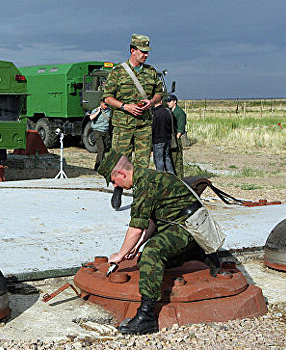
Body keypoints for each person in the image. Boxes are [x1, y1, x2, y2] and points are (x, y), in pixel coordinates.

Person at [98, 149, 221, 335]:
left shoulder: (146, 184)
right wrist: (137, 245)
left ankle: (146, 317)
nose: (117, 186)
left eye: (115, 182)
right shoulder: (145, 179)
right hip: (178, 224)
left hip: (189, 228)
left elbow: (136, 227)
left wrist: (121, 254)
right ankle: (195, 252)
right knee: (145, 259)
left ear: (122, 173)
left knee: (152, 254)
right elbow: (153, 220)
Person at [102, 33, 163, 169]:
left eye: (147, 52)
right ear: (133, 50)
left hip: (144, 126)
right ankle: (118, 190)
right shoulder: (117, 72)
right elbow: (107, 97)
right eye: (143, 52)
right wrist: (125, 106)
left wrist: (151, 102)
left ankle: (138, 189)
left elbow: (159, 93)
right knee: (120, 162)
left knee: (142, 164)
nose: (146, 55)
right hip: (123, 126)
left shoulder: (151, 72)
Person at [151, 99, 175, 174]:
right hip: (167, 138)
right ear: (161, 101)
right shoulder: (168, 111)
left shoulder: (154, 113)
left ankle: (160, 177)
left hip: (158, 139)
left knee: (159, 161)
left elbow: (152, 128)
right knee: (167, 158)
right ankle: (172, 176)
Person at [166, 94, 186, 178]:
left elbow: (181, 128)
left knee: (177, 160)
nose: (168, 103)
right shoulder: (170, 111)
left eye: (170, 101)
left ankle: (179, 178)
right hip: (170, 138)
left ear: (175, 101)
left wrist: (176, 138)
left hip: (175, 138)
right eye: (167, 101)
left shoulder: (179, 112)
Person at [89, 100, 112, 170]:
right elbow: (91, 118)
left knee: (104, 149)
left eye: (107, 105)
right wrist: (98, 112)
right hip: (97, 131)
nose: (105, 106)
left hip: (105, 132)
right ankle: (102, 167)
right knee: (101, 149)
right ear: (101, 103)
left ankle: (96, 165)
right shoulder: (95, 110)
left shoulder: (109, 111)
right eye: (104, 104)